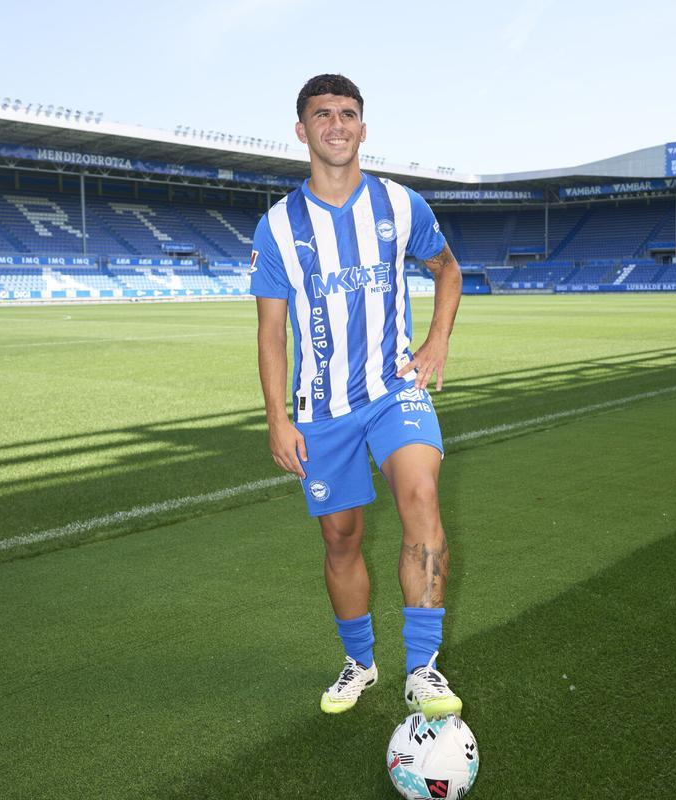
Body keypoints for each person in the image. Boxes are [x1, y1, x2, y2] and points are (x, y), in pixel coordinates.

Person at [250, 74, 464, 719]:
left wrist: (436, 345)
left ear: (364, 128)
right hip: (321, 410)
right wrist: (277, 418)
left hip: (394, 390)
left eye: (348, 114)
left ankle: (422, 668)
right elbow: (270, 330)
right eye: (323, 114)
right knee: (341, 539)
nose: (337, 124)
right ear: (302, 130)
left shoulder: (400, 206)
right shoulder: (279, 226)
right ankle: (360, 662)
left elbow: (447, 268)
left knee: (422, 497)